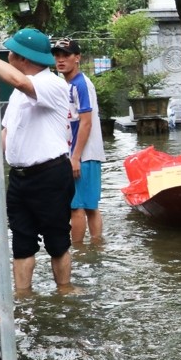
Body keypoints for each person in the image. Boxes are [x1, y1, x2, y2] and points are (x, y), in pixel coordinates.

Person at [0, 27, 74, 294]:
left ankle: (64, 289)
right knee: (21, 240)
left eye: (11, 52)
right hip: (19, 177)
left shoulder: (51, 84)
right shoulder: (19, 94)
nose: (7, 55)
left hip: (49, 175)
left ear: (22, 58)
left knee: (57, 239)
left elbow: (20, 82)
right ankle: (23, 296)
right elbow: (5, 132)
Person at [51, 39, 104, 244]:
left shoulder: (81, 84)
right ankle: (96, 246)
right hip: (80, 153)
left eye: (66, 55)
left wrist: (75, 157)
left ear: (77, 58)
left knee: (77, 207)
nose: (61, 60)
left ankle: (79, 252)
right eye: (57, 55)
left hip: (83, 153)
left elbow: (86, 123)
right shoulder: (67, 84)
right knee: (89, 206)